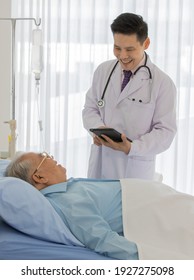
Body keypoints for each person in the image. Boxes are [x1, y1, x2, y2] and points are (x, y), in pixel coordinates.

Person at [82, 13, 177, 180]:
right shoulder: (103, 71)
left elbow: (165, 132)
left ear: (146, 43)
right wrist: (97, 129)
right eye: (117, 48)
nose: (122, 56)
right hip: (101, 163)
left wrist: (131, 147)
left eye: (130, 49)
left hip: (134, 168)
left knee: (129, 205)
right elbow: (90, 109)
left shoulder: (162, 83)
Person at [5, 151, 138, 260]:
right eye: (44, 157)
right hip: (147, 205)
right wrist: (150, 258)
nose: (51, 157)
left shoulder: (68, 188)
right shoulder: (67, 203)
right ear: (39, 177)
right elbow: (103, 239)